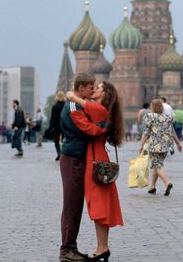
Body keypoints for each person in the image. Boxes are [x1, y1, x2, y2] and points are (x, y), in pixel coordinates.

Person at [67, 81, 124, 262]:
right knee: (99, 206)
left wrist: (73, 98)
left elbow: (86, 122)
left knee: (99, 206)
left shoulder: (100, 110)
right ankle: (102, 248)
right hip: (96, 157)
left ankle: (102, 248)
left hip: (96, 161)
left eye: (98, 87)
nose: (95, 89)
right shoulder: (100, 110)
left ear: (105, 94)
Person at [59, 73, 105, 262]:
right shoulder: (73, 105)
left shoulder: (78, 103)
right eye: (90, 87)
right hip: (72, 159)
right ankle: (67, 250)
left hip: (78, 158)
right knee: (71, 206)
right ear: (81, 88)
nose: (93, 90)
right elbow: (89, 129)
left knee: (76, 206)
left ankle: (71, 248)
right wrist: (105, 126)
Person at [139, 99, 182, 196]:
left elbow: (146, 133)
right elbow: (172, 132)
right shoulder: (168, 117)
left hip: (155, 145)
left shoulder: (149, 116)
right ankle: (152, 187)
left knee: (157, 165)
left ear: (152, 107)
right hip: (166, 146)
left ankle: (167, 183)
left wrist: (141, 145)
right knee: (156, 164)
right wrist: (178, 143)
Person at [49, 91, 66, 161]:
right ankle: (64, 153)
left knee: (56, 141)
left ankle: (59, 153)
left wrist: (51, 126)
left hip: (56, 125)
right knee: (65, 139)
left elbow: (52, 117)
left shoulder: (55, 106)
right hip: (65, 125)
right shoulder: (66, 105)